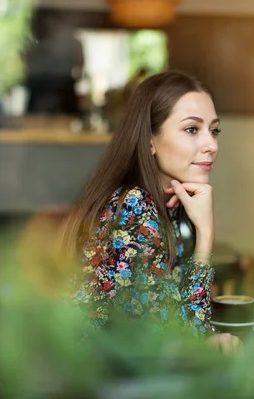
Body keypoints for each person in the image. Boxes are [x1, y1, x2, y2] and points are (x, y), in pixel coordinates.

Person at [60, 70, 241, 353]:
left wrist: (210, 336)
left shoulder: (165, 204)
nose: (211, 145)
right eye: (192, 129)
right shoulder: (135, 207)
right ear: (149, 140)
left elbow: (174, 321)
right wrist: (205, 234)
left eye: (213, 130)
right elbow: (176, 338)